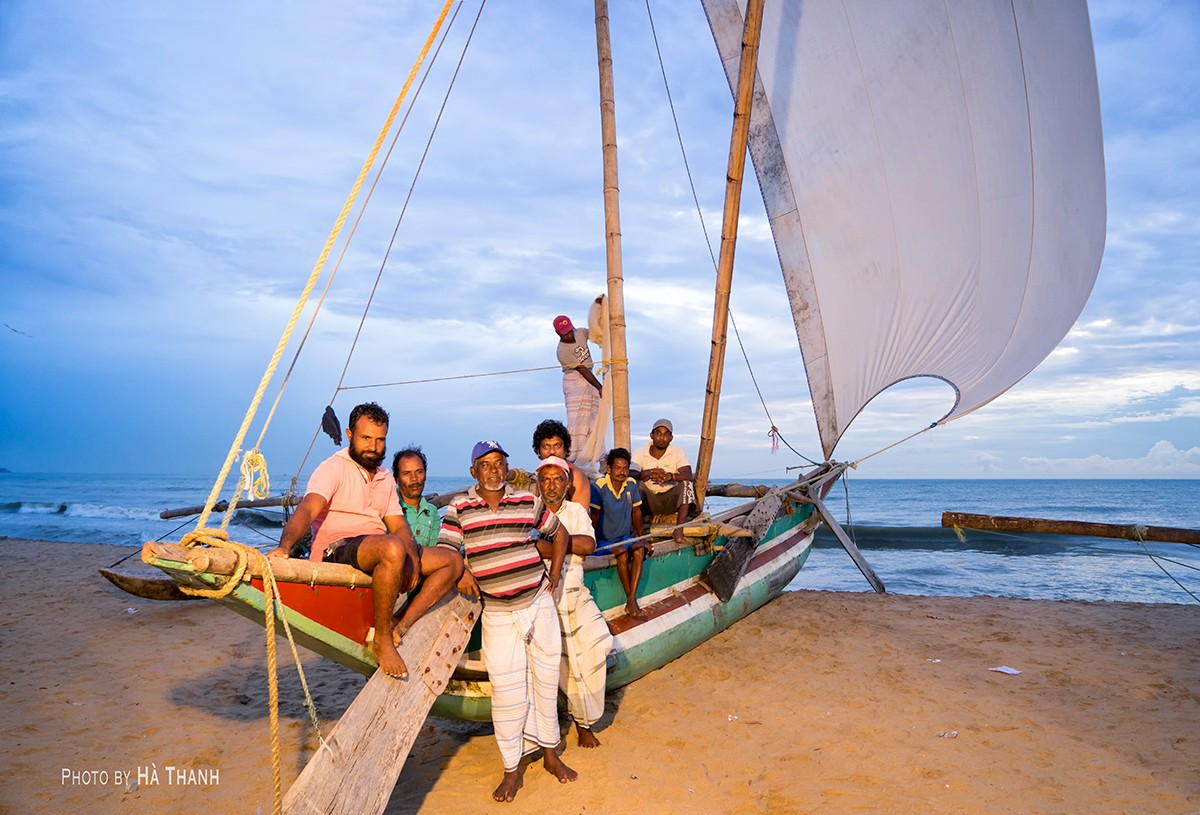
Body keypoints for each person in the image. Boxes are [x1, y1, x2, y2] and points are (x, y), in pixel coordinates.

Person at [267, 403, 463, 680]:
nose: (373, 446)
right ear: (349, 434)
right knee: (393, 546)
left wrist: (414, 561)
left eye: (380, 439)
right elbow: (308, 509)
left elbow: (398, 525)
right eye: (366, 438)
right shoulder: (333, 468)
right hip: (337, 546)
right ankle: (381, 640)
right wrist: (286, 546)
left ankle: (398, 623)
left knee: (451, 561)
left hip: (375, 546)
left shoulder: (383, 476)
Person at [438, 440, 577, 802]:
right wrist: (461, 573)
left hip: (537, 603)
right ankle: (511, 770)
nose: (494, 470)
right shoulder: (459, 508)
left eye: (500, 463)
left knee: (547, 681)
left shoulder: (526, 501)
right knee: (507, 691)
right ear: (474, 472)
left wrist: (556, 572)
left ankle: (550, 754)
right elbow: (446, 553)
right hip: (497, 613)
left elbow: (559, 533)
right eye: (486, 464)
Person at [535, 455, 613, 749]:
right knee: (561, 663)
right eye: (546, 479)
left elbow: (588, 545)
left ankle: (585, 720)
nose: (552, 485)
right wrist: (565, 544)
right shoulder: (531, 513)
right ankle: (576, 724)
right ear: (539, 484)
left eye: (558, 480)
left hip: (575, 592)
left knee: (597, 644)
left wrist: (549, 545)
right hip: (543, 599)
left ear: (568, 485)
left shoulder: (576, 512)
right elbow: (574, 544)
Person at [590, 447, 649, 617]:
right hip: (604, 539)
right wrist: (591, 544)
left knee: (638, 549)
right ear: (608, 469)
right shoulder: (599, 486)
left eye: (625, 468)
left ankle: (631, 600)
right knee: (622, 553)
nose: (622, 472)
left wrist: (641, 537)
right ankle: (631, 601)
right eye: (618, 468)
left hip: (624, 536)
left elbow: (636, 512)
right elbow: (594, 516)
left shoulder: (630, 484)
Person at [631, 418, 696, 543]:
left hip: (669, 500)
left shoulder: (677, 452)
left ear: (671, 438)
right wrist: (648, 473)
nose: (662, 438)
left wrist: (670, 476)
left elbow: (688, 475)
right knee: (634, 484)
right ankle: (636, 528)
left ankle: (679, 528)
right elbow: (631, 473)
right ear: (652, 435)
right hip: (648, 501)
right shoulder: (640, 452)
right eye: (658, 433)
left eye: (666, 434)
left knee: (687, 484)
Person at [553, 314, 602, 462]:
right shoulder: (562, 351)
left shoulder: (579, 333)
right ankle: (572, 458)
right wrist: (600, 387)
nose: (569, 335)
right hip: (575, 379)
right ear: (558, 334)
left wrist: (599, 315)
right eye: (565, 334)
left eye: (570, 331)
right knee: (577, 422)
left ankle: (593, 456)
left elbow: (594, 333)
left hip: (590, 378)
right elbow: (582, 369)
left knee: (593, 419)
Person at [531, 418, 591, 513]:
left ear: (566, 449)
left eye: (557, 446)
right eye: (546, 446)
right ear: (538, 451)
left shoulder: (575, 476)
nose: (552, 451)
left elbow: (581, 517)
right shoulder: (540, 473)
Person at [392, 446, 439, 548]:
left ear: (425, 475)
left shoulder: (432, 512)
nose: (414, 479)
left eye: (419, 472)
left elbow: (434, 550)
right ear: (397, 479)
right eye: (406, 473)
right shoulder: (389, 509)